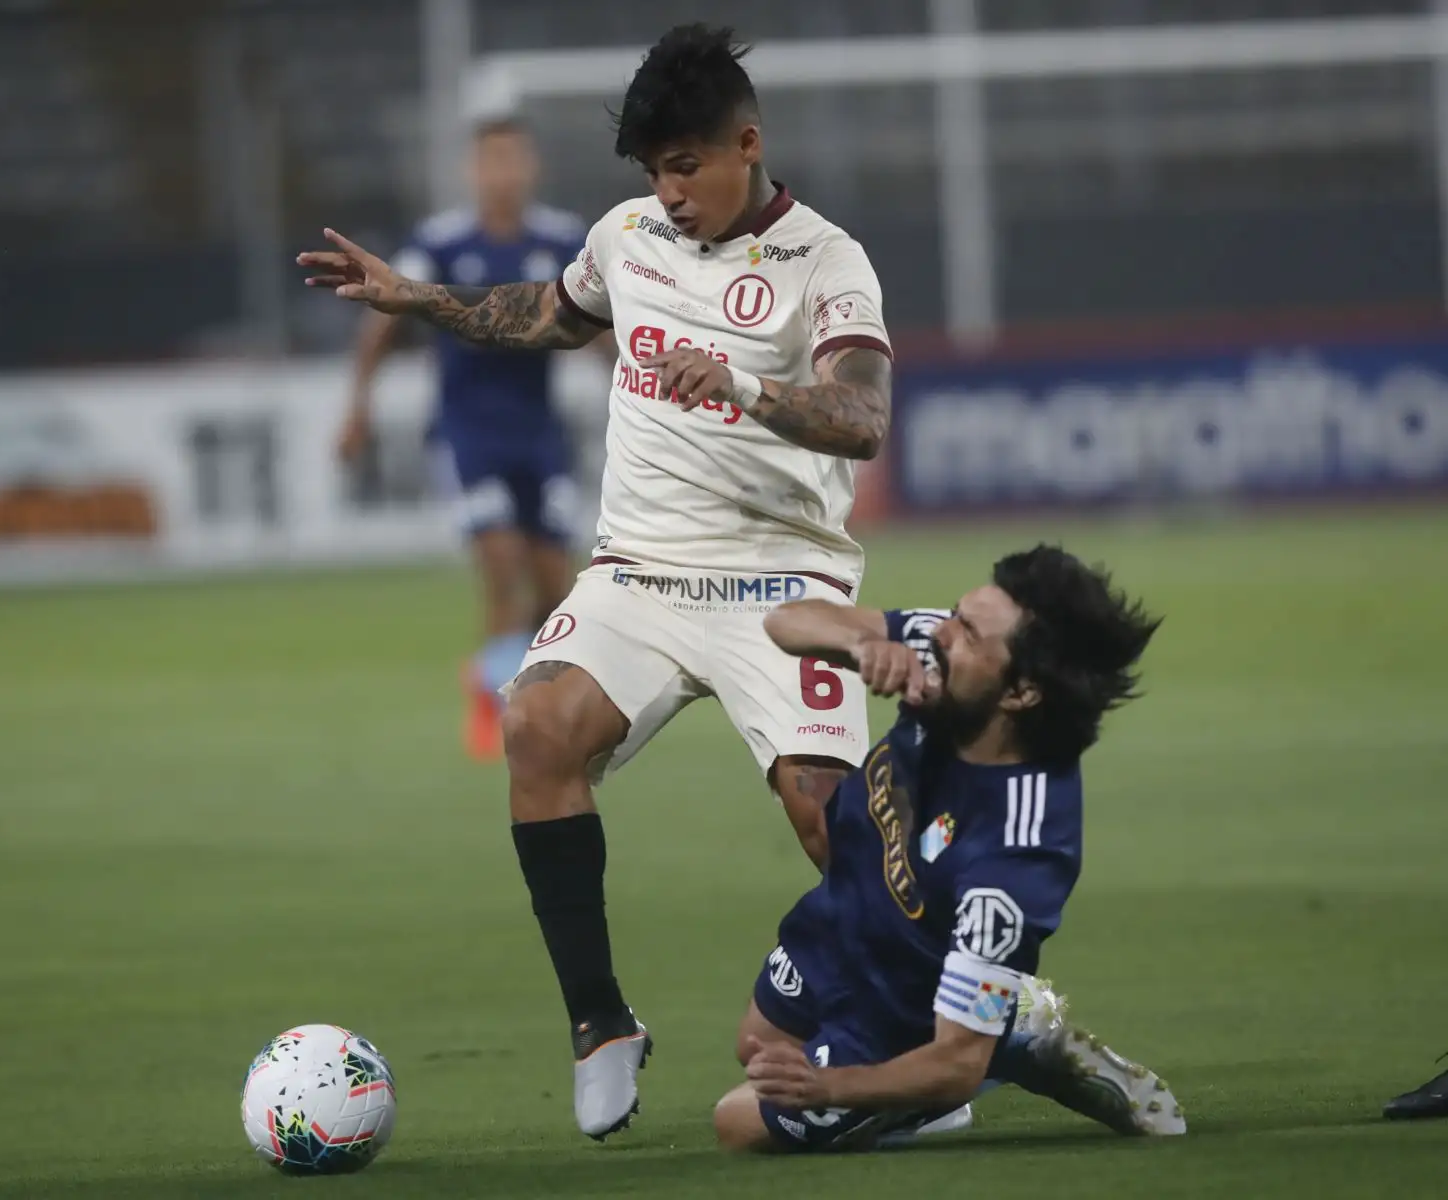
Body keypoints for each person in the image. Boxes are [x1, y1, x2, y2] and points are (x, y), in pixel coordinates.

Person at [300, 24, 895, 1138]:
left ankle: (908, 1053)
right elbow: (549, 315)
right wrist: (417, 301)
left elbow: (862, 418)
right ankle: (600, 1023)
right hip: (642, 572)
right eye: (650, 172)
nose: (666, 195)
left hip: (784, 581)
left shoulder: (829, 261)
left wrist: (748, 390)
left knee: (836, 826)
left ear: (746, 145)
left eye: (685, 167)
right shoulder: (625, 237)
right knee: (535, 728)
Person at [712, 545, 1187, 1151]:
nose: (938, 632)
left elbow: (956, 1061)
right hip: (842, 917)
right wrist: (860, 646)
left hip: (904, 1000)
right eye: (956, 613)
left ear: (1021, 694)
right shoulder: (953, 660)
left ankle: (994, 1046)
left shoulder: (1014, 858)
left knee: (738, 1123)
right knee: (756, 1046)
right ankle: (1000, 1034)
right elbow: (784, 621)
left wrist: (833, 1087)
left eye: (966, 630)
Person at [336, 119, 589, 761]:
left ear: (530, 168)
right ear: (472, 171)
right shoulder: (441, 243)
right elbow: (385, 323)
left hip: (540, 433)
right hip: (468, 431)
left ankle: (517, 685)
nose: (503, 173)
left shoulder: (562, 239)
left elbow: (604, 322)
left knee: (556, 584)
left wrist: (641, 383)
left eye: (513, 160)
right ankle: (495, 707)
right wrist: (357, 407)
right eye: (491, 161)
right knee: (502, 563)